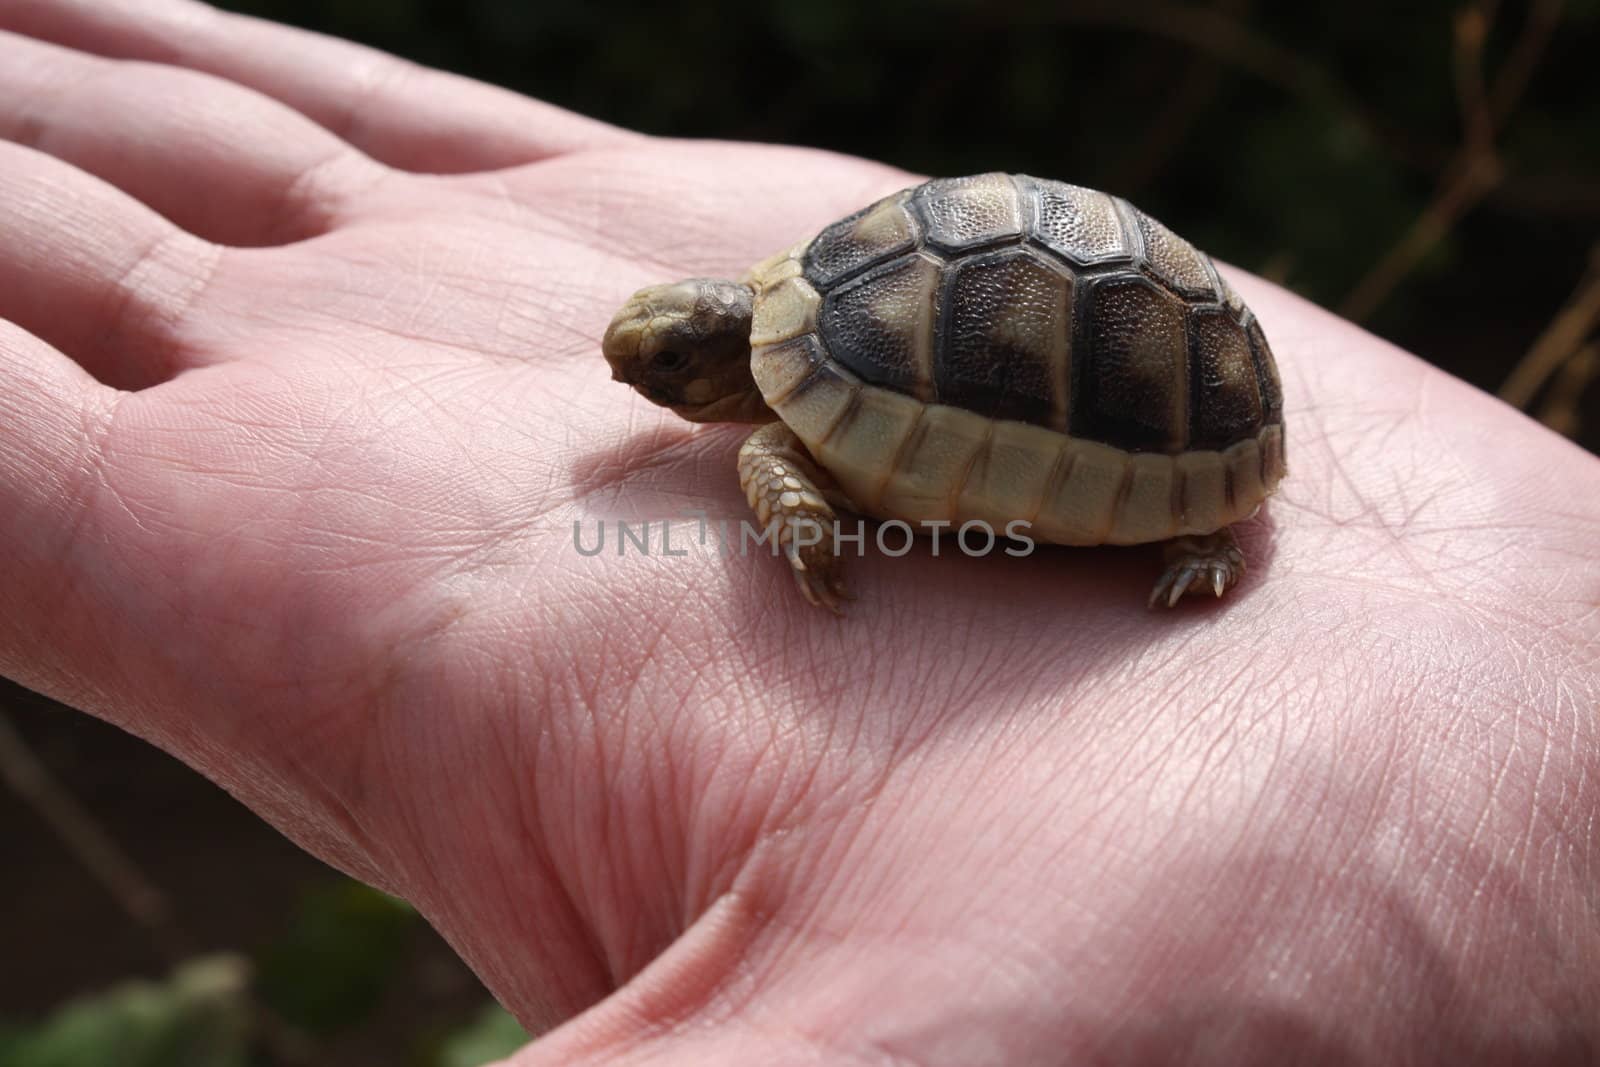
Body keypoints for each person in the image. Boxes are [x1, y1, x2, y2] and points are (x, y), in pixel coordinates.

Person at [0, 2, 1596, 1063]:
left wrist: (803, 509)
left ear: (723, 357)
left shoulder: (785, 421)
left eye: (668, 369)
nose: (655, 383)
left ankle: (1199, 532)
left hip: (1182, 420)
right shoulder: (813, 291)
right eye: (658, 363)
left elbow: (791, 476)